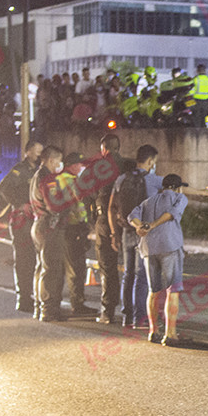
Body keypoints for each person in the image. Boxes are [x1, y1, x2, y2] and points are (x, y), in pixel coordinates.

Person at [128, 174, 189, 347]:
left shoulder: (148, 201)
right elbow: (172, 214)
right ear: (177, 188)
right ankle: (170, 334)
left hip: (148, 249)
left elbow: (131, 215)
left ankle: (153, 331)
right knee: (173, 290)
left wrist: (140, 226)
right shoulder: (180, 197)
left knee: (153, 291)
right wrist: (153, 225)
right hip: (170, 246)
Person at [108, 144, 162, 329]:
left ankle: (127, 317)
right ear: (150, 161)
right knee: (141, 275)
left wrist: (114, 232)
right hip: (143, 232)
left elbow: (112, 207)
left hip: (125, 231)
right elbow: (174, 190)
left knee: (128, 274)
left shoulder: (122, 179)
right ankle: (140, 318)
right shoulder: (154, 180)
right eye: (154, 161)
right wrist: (204, 192)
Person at [80, 134, 125, 324]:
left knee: (107, 267)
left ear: (103, 149)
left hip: (105, 221)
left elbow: (81, 189)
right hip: (129, 220)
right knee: (135, 268)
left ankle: (107, 312)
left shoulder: (96, 168)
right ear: (118, 148)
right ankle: (134, 312)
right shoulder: (129, 165)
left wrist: (91, 214)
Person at [0, 141, 42, 313]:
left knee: (35, 259)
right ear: (27, 152)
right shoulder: (20, 170)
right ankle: (23, 298)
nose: (39, 154)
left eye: (40, 151)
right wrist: (19, 204)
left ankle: (34, 295)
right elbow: (4, 187)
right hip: (21, 220)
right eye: (36, 151)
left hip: (35, 219)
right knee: (24, 260)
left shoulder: (38, 170)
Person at [29, 145, 68, 322]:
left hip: (39, 223)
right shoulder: (48, 178)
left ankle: (40, 306)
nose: (60, 164)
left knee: (41, 266)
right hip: (49, 226)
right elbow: (54, 204)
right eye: (59, 161)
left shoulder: (37, 175)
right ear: (52, 160)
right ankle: (49, 309)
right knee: (51, 268)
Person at [58, 152, 98, 316]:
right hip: (73, 228)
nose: (83, 167)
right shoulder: (70, 181)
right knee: (76, 268)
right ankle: (78, 304)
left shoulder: (61, 179)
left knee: (64, 267)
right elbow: (77, 203)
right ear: (72, 166)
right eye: (80, 165)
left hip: (69, 228)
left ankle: (55, 302)